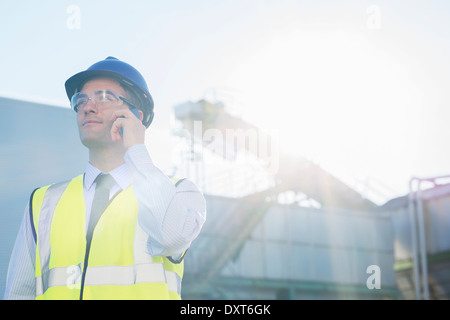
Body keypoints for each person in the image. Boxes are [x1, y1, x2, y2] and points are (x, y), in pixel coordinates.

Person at [4, 56, 206, 300]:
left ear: (136, 117)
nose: (88, 106)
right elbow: (18, 293)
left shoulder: (180, 192)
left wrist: (137, 151)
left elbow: (171, 235)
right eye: (81, 100)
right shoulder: (43, 203)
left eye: (104, 97)